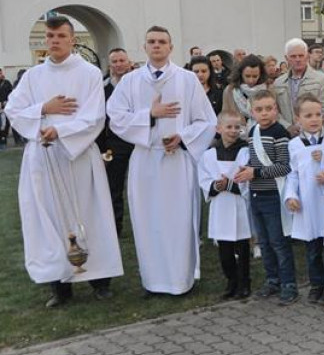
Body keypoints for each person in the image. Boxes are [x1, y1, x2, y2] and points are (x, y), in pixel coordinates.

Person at [6, 15, 124, 307]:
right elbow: (13, 109)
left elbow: (94, 115)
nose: (54, 41)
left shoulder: (89, 74)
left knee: (89, 215)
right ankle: (58, 286)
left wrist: (59, 129)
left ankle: (99, 280)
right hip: (43, 156)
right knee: (49, 218)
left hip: (78, 156)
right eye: (50, 36)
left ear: (73, 39)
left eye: (60, 35)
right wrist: (43, 109)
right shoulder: (33, 76)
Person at [107, 26, 215, 295]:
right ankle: (152, 280)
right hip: (145, 159)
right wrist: (149, 115)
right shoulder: (130, 81)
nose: (157, 45)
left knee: (178, 220)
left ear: (170, 47)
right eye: (151, 41)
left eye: (162, 42)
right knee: (147, 220)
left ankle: (181, 279)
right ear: (144, 47)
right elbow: (116, 117)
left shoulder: (188, 79)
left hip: (177, 162)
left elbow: (207, 121)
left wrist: (182, 136)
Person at [235, 89, 297, 304]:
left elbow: (283, 166)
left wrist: (256, 172)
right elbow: (255, 161)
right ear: (252, 112)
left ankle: (289, 283)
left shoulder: (280, 133)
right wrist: (247, 170)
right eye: (259, 110)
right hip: (256, 193)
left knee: (279, 242)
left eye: (269, 109)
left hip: (273, 194)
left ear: (276, 110)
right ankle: (273, 280)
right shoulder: (253, 132)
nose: (264, 114)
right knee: (264, 241)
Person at [284, 95, 324, 304]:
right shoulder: (294, 145)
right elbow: (292, 174)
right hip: (308, 205)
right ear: (298, 119)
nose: (314, 119)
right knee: (313, 250)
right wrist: (291, 196)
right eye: (308, 115)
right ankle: (316, 284)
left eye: (318, 114)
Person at [199, 111, 252, 299]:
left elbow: (246, 178)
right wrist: (215, 186)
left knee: (242, 247)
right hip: (220, 205)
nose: (233, 131)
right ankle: (231, 280)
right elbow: (204, 178)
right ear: (218, 129)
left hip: (238, 205)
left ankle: (244, 282)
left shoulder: (245, 151)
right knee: (225, 250)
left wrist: (229, 184)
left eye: (237, 127)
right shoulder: (209, 154)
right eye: (228, 127)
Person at [96, 48, 134, 237]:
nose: (119, 64)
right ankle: (115, 228)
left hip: (137, 143)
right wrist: (102, 149)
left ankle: (144, 225)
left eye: (122, 60)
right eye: (115, 61)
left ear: (129, 62)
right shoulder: (103, 88)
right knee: (114, 188)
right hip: (113, 145)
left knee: (141, 187)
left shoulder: (138, 84)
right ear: (110, 65)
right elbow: (99, 121)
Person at [273, 38, 324, 135]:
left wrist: (305, 126)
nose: (298, 59)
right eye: (293, 56)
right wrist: (287, 126)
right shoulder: (278, 83)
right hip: (287, 135)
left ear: (307, 56)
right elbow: (275, 110)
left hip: (314, 135)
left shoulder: (321, 79)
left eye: (301, 55)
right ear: (286, 58)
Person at [222, 54, 268, 130]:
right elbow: (225, 116)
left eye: (255, 76)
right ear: (240, 74)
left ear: (260, 75)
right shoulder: (230, 91)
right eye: (247, 76)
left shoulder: (268, 89)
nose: (251, 80)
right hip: (236, 134)